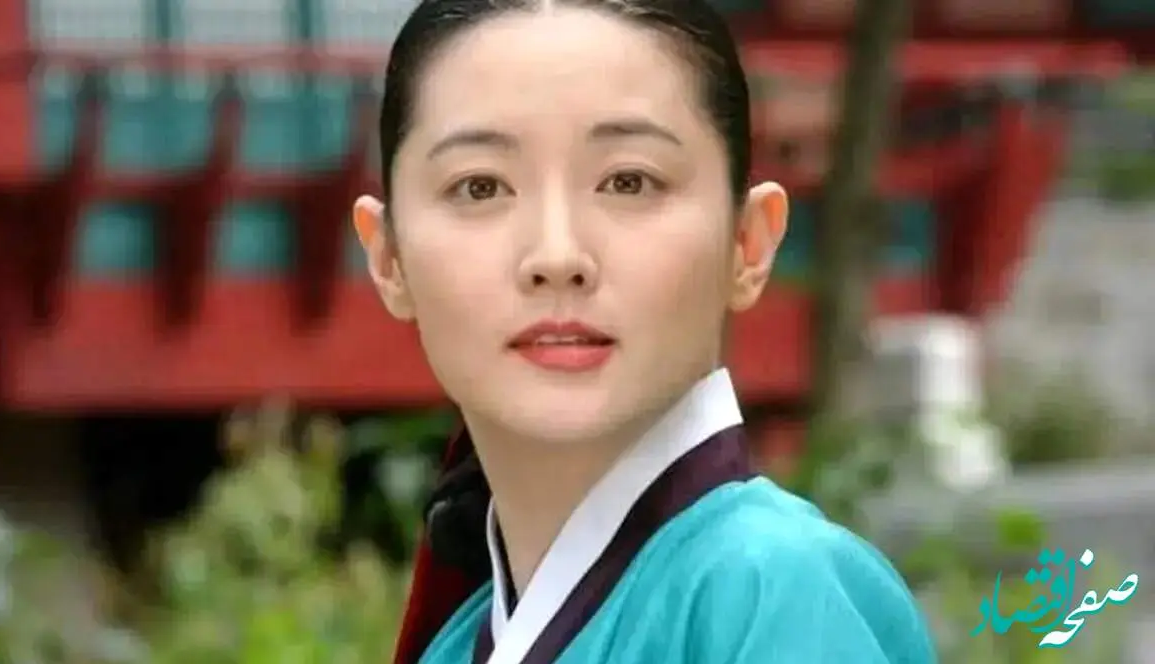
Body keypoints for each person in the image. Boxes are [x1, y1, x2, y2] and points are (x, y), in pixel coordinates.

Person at [351, 0, 937, 662]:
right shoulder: (459, 644)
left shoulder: (773, 593)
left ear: (748, 243)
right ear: (389, 258)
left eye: (628, 181)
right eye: (480, 187)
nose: (557, 256)